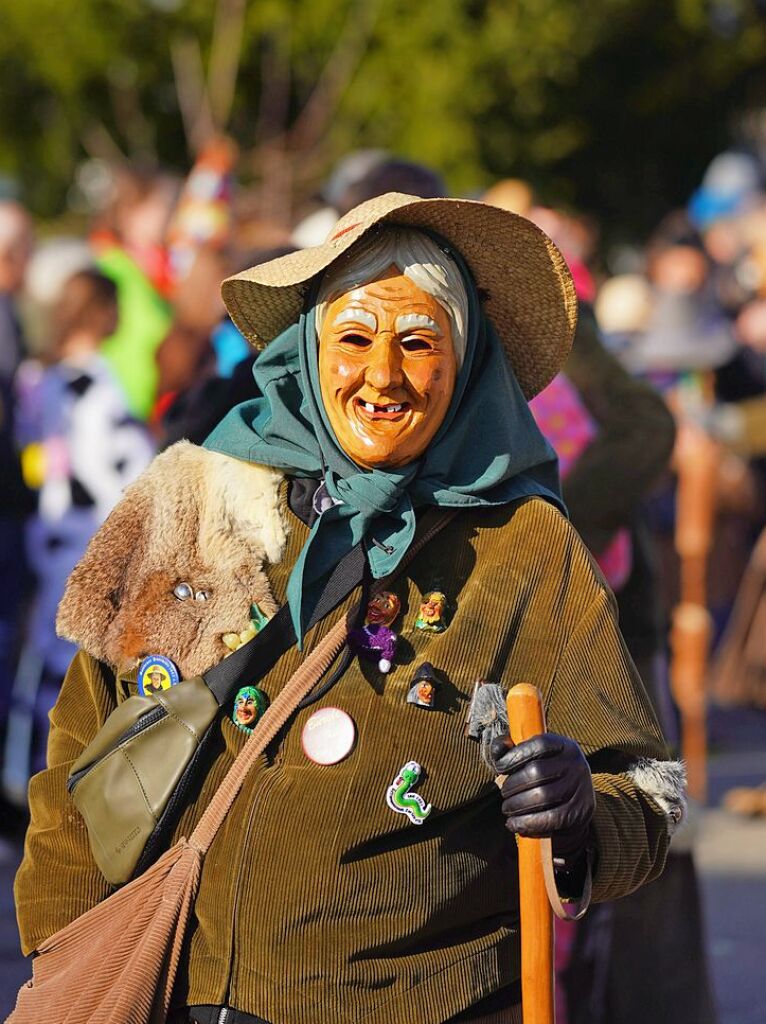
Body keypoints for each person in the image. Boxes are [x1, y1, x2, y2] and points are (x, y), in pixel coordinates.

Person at [15, 193, 684, 1024]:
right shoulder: (197, 494)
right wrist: (67, 949)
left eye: (416, 343)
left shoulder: (526, 541)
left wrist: (582, 811)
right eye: (356, 338)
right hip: (178, 992)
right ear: (310, 347)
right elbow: (78, 749)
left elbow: (645, 794)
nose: (382, 376)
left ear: (465, 362)